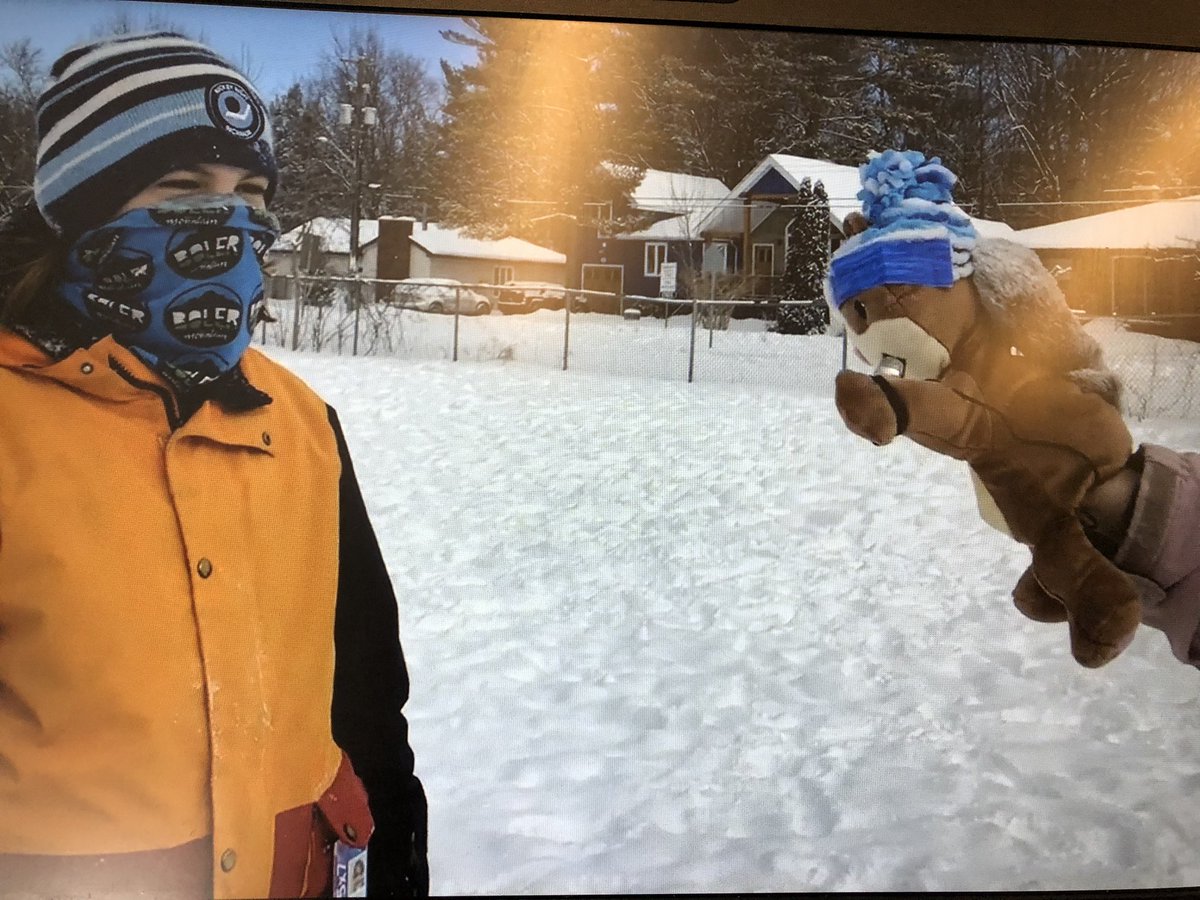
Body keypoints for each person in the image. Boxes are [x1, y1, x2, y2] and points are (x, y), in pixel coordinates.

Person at [0, 32, 428, 898]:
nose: (228, 221)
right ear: (84, 211)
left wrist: (395, 848)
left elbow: (365, 691)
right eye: (184, 189)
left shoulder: (302, 423)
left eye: (252, 193)